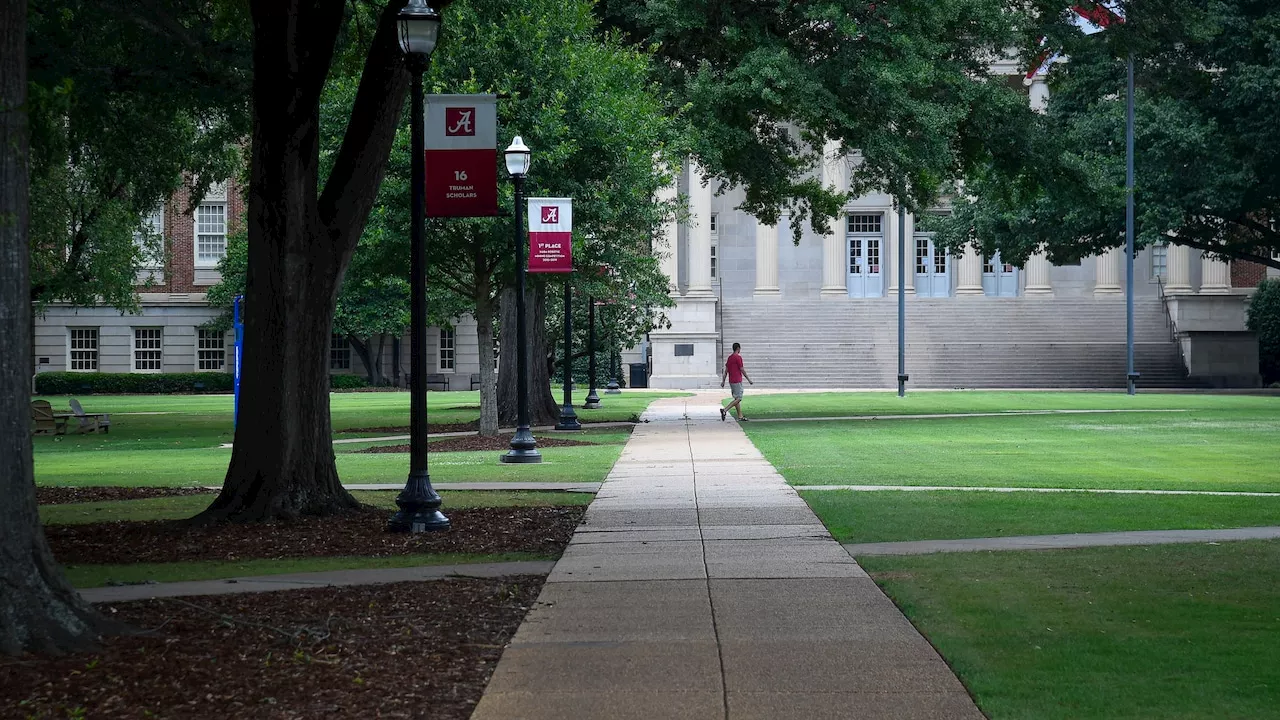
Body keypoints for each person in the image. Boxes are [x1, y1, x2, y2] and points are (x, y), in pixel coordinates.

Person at [720, 342, 753, 421]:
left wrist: (723, 381)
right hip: (737, 380)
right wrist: (749, 379)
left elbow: (726, 371)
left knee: (736, 398)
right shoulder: (738, 358)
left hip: (731, 380)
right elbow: (742, 369)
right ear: (738, 348)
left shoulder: (730, 358)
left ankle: (740, 416)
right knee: (739, 398)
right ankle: (725, 410)